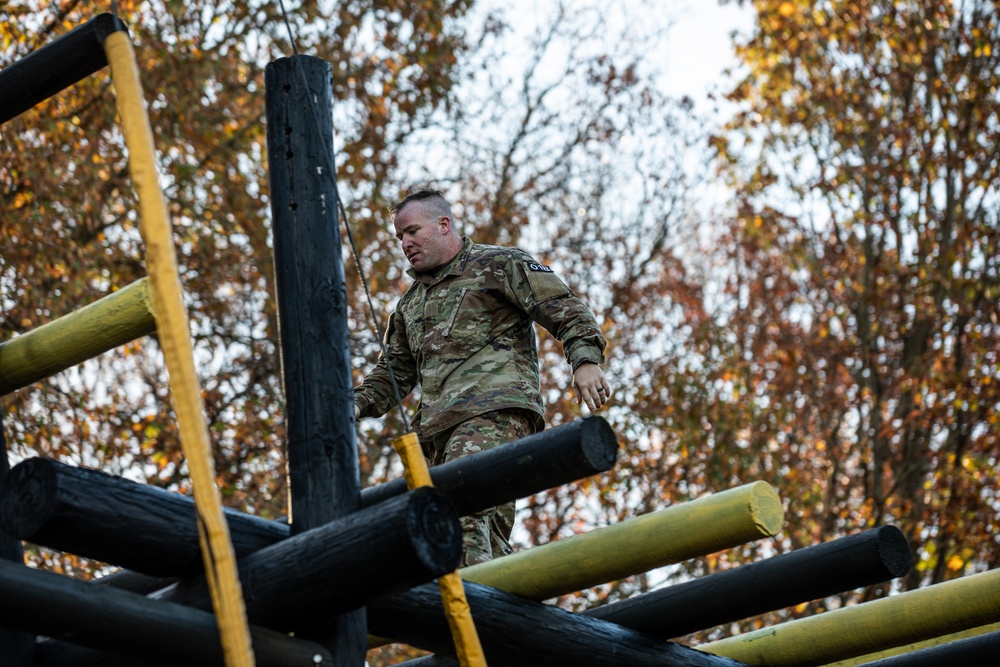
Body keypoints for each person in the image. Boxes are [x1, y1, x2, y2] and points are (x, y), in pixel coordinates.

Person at [354, 188, 611, 566]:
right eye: (399, 237)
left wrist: (585, 360)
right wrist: (353, 404)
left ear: (443, 225)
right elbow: (393, 373)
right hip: (437, 433)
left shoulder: (499, 264)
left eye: (412, 231)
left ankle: (474, 608)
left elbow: (563, 308)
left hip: (494, 413)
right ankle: (505, 615)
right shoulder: (410, 304)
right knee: (475, 531)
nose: (405, 243)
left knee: (460, 517)